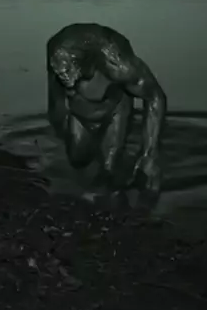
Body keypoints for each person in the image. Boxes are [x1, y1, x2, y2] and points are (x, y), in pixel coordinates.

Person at [46, 23, 166, 194]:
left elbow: (155, 96)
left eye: (66, 69)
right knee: (77, 160)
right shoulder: (55, 52)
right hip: (80, 113)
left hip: (114, 110)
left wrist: (150, 155)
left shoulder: (117, 64)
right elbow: (55, 101)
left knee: (108, 172)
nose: (60, 73)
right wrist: (60, 126)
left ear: (82, 61)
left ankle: (114, 186)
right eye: (57, 68)